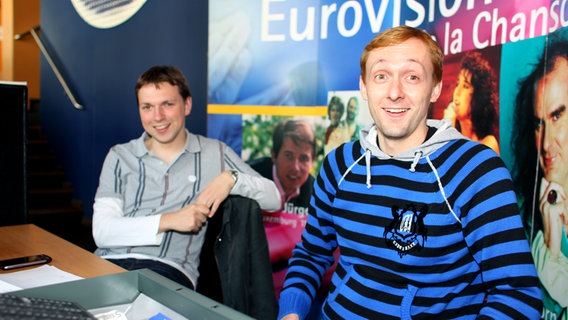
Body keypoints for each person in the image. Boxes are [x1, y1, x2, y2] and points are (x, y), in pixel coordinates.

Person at [277, 25, 542, 320]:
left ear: (436, 88)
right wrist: (291, 312)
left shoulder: (476, 170)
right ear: (364, 87)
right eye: (381, 76)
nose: (394, 93)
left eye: (412, 77)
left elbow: (518, 296)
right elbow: (311, 253)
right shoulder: (339, 164)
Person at [92, 65, 281, 292]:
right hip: (106, 263)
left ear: (187, 105)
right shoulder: (120, 156)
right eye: (147, 107)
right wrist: (171, 220)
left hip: (166, 270)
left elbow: (274, 198)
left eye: (167, 105)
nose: (158, 117)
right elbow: (102, 232)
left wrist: (231, 179)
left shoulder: (214, 153)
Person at [512, 33, 568, 320]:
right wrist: (550, 247)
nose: (545, 144)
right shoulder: (521, 212)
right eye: (538, 124)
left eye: (558, 115)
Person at [248, 119, 317, 297]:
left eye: (303, 159)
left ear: (313, 161)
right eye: (288, 156)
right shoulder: (250, 178)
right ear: (273, 155)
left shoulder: (317, 192)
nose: (296, 167)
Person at [443, 50, 500, 154]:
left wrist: (448, 133)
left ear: (477, 96)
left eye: (465, 86)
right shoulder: (450, 134)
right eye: (457, 84)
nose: (457, 92)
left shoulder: (488, 144)